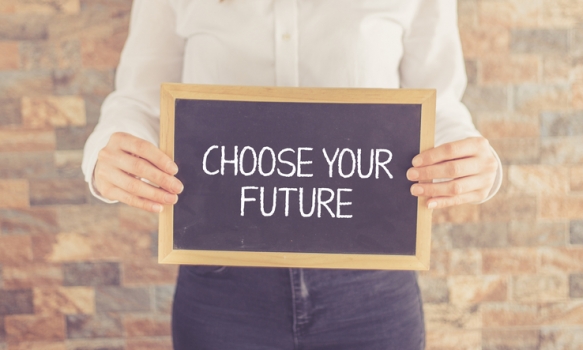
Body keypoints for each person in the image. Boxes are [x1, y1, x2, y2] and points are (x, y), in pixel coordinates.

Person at [83, 1, 502, 349]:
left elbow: (440, 104)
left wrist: (469, 156)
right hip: (222, 283)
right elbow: (138, 99)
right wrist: (106, 154)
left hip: (371, 285)